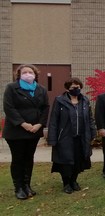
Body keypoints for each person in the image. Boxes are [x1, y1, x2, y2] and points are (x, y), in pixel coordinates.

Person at [3, 64, 49, 200]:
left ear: (35, 74)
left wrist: (39, 124)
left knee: (29, 159)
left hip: (34, 130)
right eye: (25, 72)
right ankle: (18, 187)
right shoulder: (12, 88)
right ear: (19, 75)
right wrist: (23, 124)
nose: (28, 74)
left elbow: (45, 107)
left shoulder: (41, 89)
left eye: (30, 72)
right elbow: (9, 108)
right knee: (18, 159)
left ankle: (27, 185)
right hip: (16, 131)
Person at [48, 77, 96, 194]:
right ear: (68, 88)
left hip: (81, 138)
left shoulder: (84, 100)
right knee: (66, 162)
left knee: (78, 161)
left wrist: (92, 132)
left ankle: (74, 181)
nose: (76, 89)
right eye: (73, 87)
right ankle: (66, 183)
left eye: (78, 87)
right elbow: (54, 120)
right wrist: (53, 138)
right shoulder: (60, 100)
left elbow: (90, 118)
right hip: (65, 138)